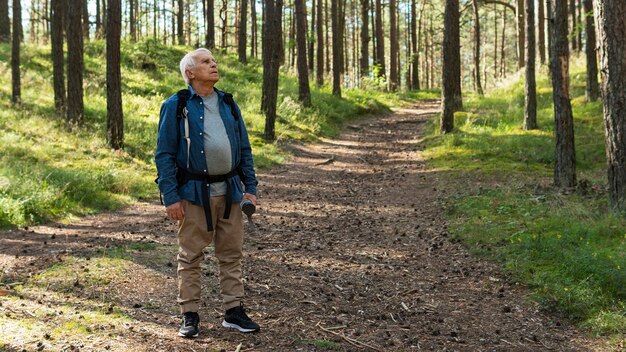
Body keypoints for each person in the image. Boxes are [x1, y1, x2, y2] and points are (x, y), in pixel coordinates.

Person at [155, 48, 260, 338]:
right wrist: (171, 196)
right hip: (192, 193)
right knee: (190, 256)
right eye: (205, 62)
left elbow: (245, 148)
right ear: (190, 72)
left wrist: (250, 188)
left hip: (231, 191)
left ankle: (234, 312)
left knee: (231, 254)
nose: (213, 64)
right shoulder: (176, 105)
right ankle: (189, 315)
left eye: (213, 61)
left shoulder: (228, 103)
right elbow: (164, 154)